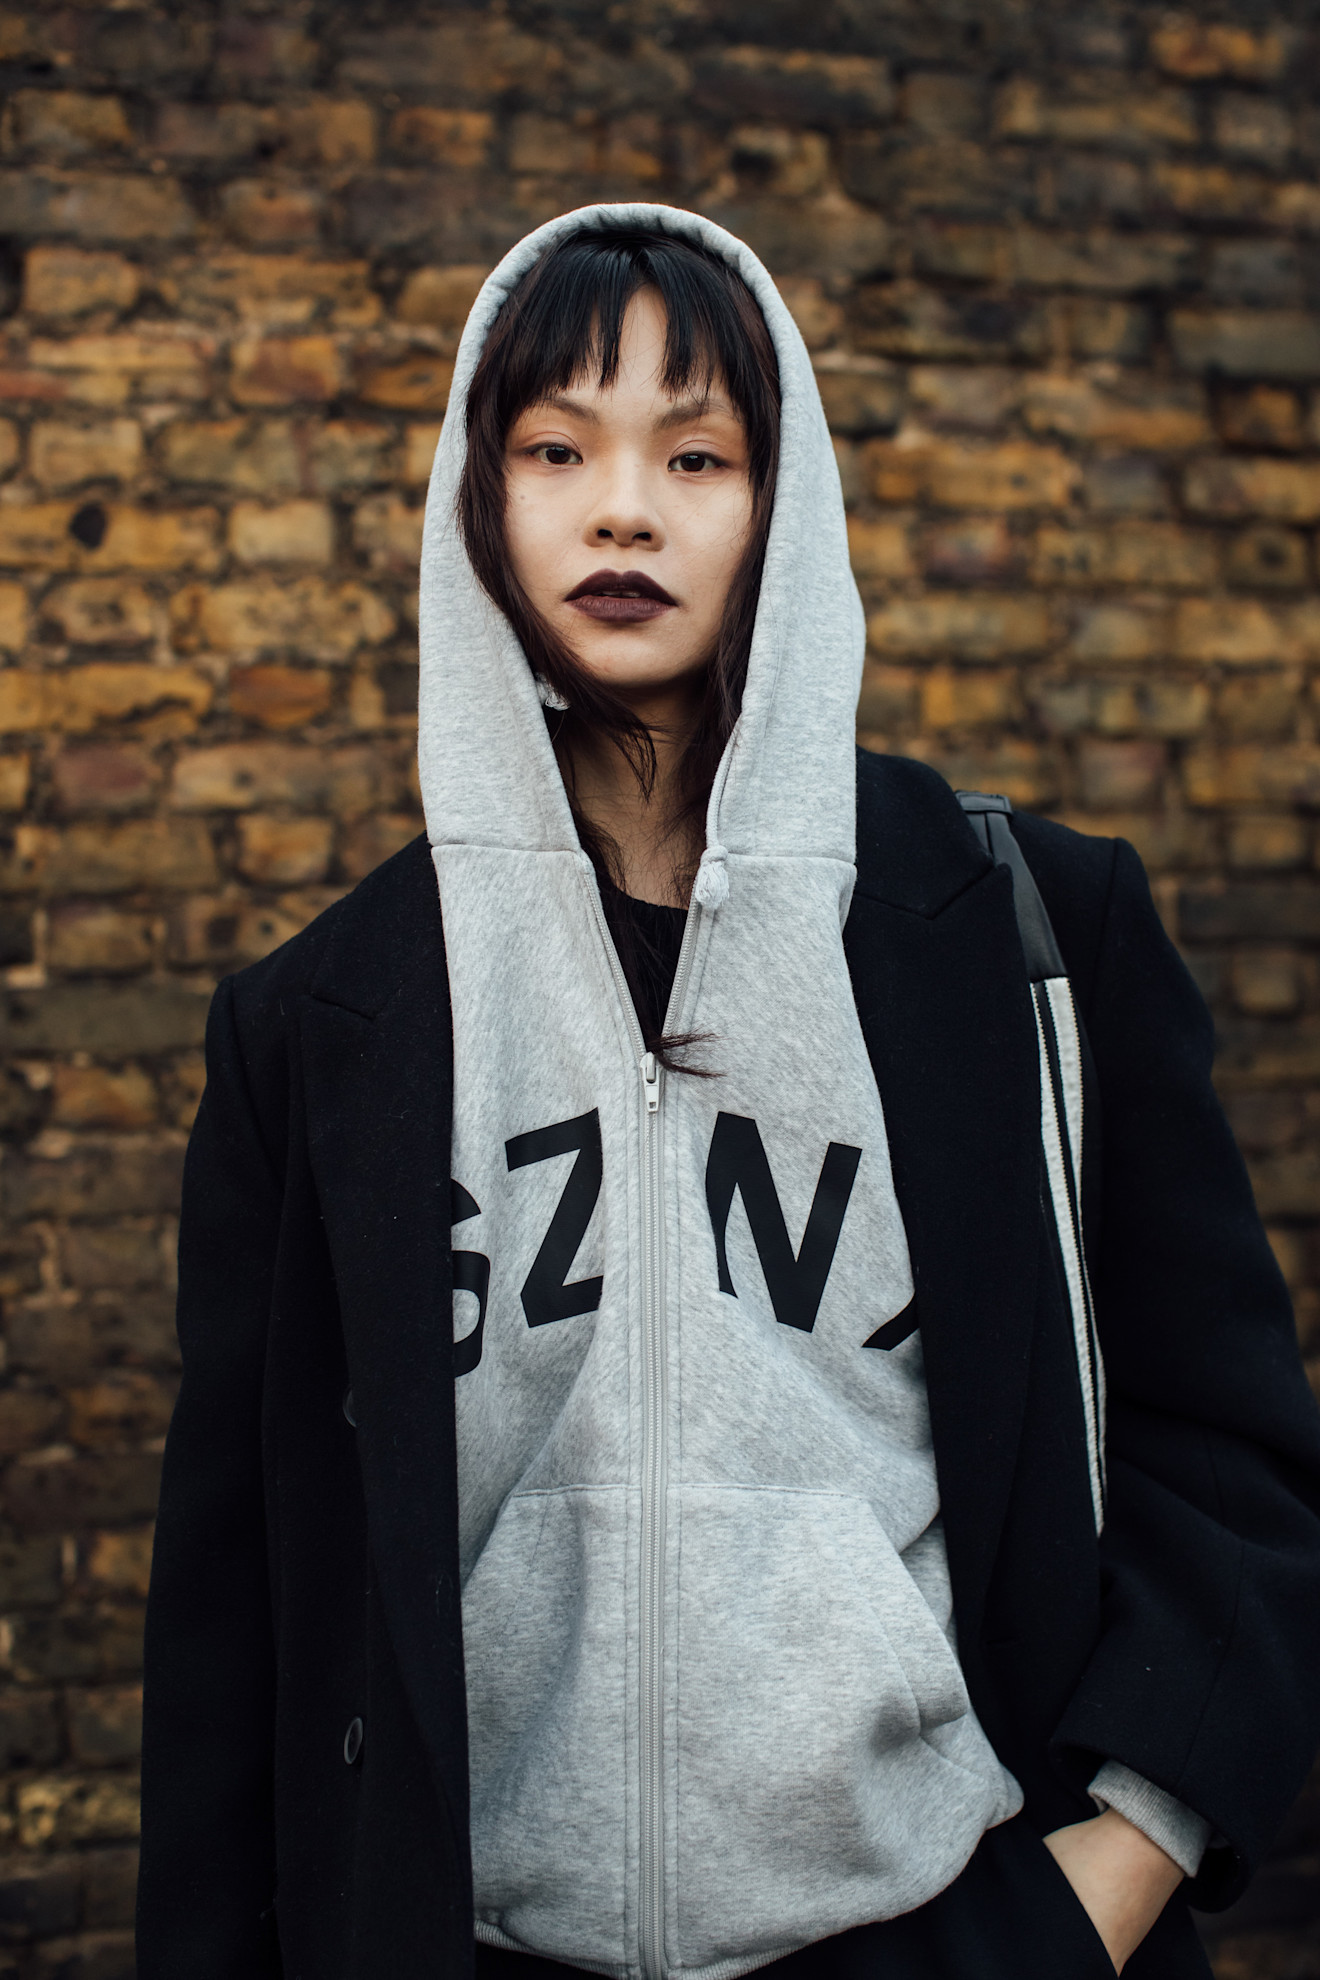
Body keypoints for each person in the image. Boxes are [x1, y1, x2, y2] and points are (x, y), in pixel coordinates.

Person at [136, 205, 1320, 1980]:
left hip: (947, 1929)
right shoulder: (320, 1026)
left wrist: (1119, 1867)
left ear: (788, 505)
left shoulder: (1026, 937)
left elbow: (1227, 1452)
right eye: (557, 450)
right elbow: (236, 1614)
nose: (625, 508)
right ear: (482, 498)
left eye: (696, 453)